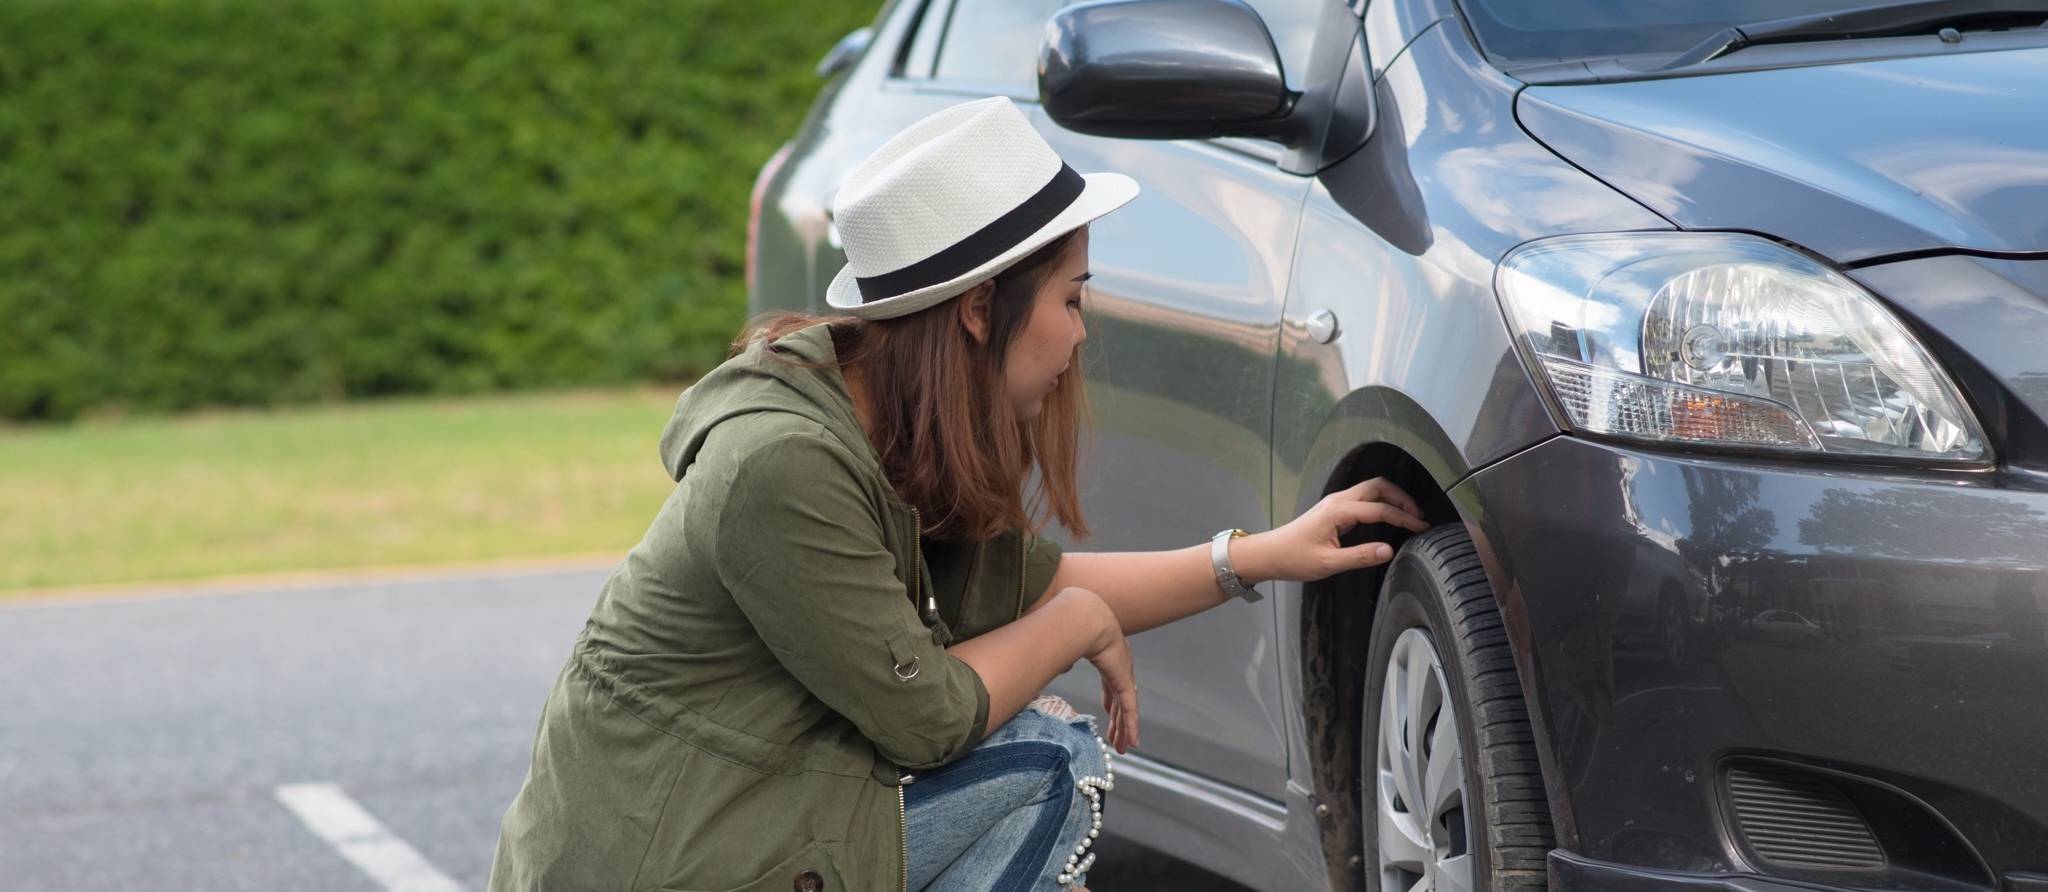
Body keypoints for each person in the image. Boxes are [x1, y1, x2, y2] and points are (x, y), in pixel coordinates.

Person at [488, 96, 1428, 892]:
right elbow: (931, 717)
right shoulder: (782, 466)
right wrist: (1078, 629)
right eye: (1071, 299)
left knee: (1024, 734)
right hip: (651, 857)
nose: (1079, 336)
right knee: (1049, 760)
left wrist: (1259, 556)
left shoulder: (878, 427)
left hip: (737, 812)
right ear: (979, 310)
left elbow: (1033, 588)